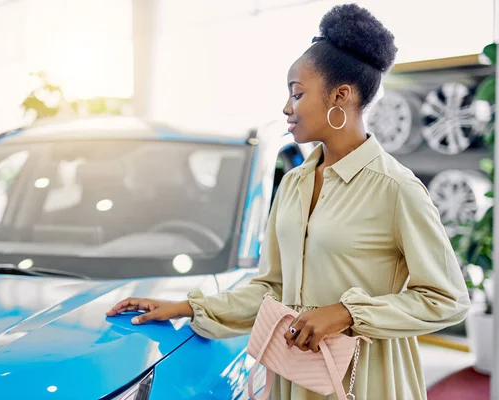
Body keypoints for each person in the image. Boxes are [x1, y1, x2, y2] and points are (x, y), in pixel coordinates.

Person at [106, 4, 471, 399]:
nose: (286, 108)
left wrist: (348, 314)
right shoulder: (294, 183)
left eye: (297, 94)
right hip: (295, 375)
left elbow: (447, 299)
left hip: (364, 381)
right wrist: (186, 307)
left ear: (340, 96)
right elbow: (273, 288)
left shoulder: (395, 188)